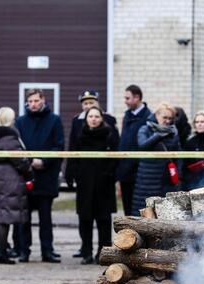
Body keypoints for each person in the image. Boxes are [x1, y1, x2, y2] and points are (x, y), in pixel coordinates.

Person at [15, 88, 64, 263]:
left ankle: (47, 251)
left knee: (45, 218)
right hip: (25, 175)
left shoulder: (54, 120)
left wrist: (43, 161)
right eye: (31, 101)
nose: (33, 104)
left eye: (36, 100)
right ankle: (23, 251)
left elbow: (58, 146)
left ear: (43, 100)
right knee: (24, 218)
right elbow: (16, 147)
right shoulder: (20, 122)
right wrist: (28, 162)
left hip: (46, 176)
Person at [72, 106, 120, 264]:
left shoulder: (109, 135)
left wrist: (110, 174)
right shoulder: (80, 135)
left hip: (103, 184)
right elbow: (74, 157)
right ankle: (86, 251)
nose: (93, 119)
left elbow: (116, 158)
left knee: (103, 221)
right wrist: (73, 175)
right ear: (86, 119)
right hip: (85, 184)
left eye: (96, 116)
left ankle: (103, 252)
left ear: (101, 119)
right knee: (85, 220)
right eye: (90, 116)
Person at [0, 107, 31, 265]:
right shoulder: (8, 137)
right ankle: (0, 252)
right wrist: (28, 166)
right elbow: (19, 160)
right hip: (8, 178)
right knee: (4, 217)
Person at [133, 102, 181, 212]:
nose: (168, 121)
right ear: (156, 115)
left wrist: (179, 177)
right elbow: (142, 146)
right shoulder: (145, 129)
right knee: (143, 213)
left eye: (170, 118)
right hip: (146, 179)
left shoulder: (173, 132)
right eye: (165, 117)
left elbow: (178, 155)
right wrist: (158, 135)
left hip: (166, 180)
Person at [117, 85, 151, 215]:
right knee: (127, 210)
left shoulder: (148, 117)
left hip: (139, 172)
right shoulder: (127, 116)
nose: (125, 101)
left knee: (139, 211)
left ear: (137, 97)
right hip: (125, 171)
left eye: (128, 98)